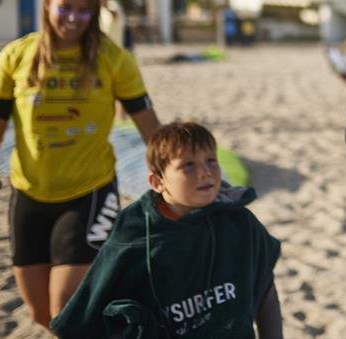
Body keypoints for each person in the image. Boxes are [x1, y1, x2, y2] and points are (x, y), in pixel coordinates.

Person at [0, 0, 161, 329]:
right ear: (47, 5)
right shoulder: (15, 56)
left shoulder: (113, 58)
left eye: (84, 10)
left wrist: (174, 171)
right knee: (41, 315)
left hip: (90, 193)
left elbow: (148, 123)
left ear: (95, 13)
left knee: (65, 309)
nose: (73, 17)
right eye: (65, 7)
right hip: (28, 195)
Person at [50, 122, 282, 339]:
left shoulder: (239, 221)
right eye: (188, 165)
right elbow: (85, 318)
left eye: (211, 160)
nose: (205, 172)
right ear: (157, 182)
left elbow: (265, 290)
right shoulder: (134, 236)